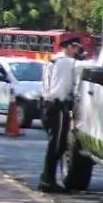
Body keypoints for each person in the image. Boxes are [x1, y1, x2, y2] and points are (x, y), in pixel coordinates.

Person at [37, 38, 82, 193]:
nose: (77, 52)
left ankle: (47, 178)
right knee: (57, 145)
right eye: (76, 48)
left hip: (45, 104)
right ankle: (47, 181)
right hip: (57, 106)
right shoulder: (68, 63)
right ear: (69, 47)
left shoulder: (51, 60)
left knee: (54, 143)